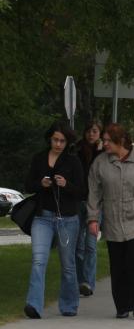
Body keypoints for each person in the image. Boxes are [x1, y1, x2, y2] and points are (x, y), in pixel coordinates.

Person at [87, 123, 134, 319]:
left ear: (120, 141)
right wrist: (92, 218)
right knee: (117, 265)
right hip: (112, 220)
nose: (104, 144)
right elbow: (94, 193)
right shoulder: (100, 163)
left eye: (107, 141)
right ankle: (121, 306)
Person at [23, 122, 84, 319]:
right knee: (38, 260)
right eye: (55, 140)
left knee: (67, 264)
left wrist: (66, 184)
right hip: (43, 217)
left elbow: (82, 192)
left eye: (62, 141)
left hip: (67, 218)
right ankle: (34, 305)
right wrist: (41, 184)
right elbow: (28, 185)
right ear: (50, 138)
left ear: (67, 142)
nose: (58, 144)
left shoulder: (73, 162)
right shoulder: (39, 158)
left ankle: (69, 304)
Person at [74, 120, 103, 298]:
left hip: (96, 204)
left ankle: (89, 282)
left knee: (90, 245)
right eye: (89, 131)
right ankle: (80, 281)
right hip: (78, 201)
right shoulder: (77, 150)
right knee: (78, 246)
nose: (91, 134)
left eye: (95, 131)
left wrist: (100, 151)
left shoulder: (103, 153)